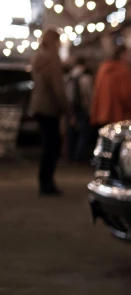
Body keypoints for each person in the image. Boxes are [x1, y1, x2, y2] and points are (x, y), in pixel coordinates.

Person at [29, 29, 68, 196]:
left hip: (38, 106)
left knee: (48, 145)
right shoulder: (53, 58)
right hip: (49, 107)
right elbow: (58, 87)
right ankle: (47, 183)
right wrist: (66, 109)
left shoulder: (38, 57)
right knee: (53, 145)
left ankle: (44, 181)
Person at [90, 44, 131, 128]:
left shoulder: (103, 68)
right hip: (119, 115)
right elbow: (126, 95)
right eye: (129, 54)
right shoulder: (123, 70)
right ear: (122, 55)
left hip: (103, 114)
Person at [65, 56, 93, 163]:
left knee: (71, 132)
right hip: (82, 108)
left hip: (70, 108)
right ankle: (79, 156)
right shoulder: (86, 78)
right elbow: (89, 95)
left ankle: (71, 155)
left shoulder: (68, 77)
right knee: (83, 132)